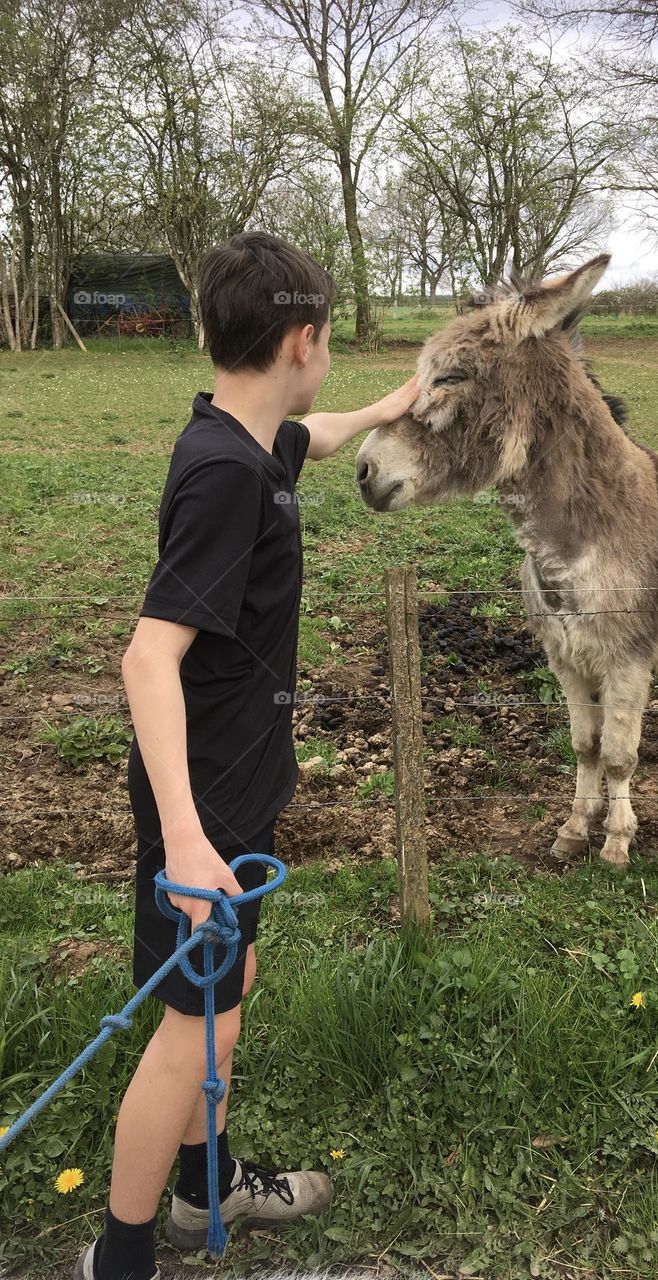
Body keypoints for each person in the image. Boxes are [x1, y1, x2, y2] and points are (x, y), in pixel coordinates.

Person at [75, 232, 419, 1280]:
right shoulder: (225, 476)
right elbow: (147, 658)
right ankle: (122, 1256)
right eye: (329, 342)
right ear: (304, 338)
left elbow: (306, 438)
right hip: (205, 803)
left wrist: (387, 408)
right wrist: (185, 840)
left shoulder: (236, 435)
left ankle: (203, 1187)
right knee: (190, 1027)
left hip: (229, 783)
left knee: (223, 995)